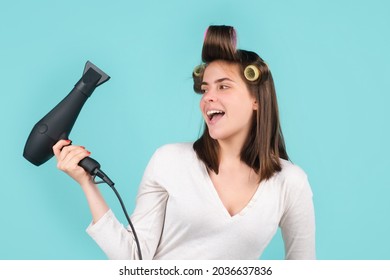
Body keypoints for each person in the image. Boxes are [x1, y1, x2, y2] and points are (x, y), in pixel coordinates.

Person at [53, 25, 315, 260]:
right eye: (205, 89)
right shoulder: (170, 161)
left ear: (256, 100)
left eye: (223, 87)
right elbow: (133, 258)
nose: (208, 97)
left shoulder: (290, 182)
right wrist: (87, 183)